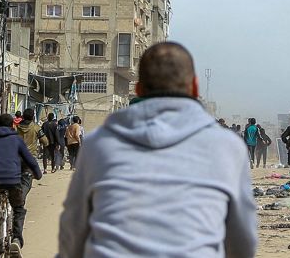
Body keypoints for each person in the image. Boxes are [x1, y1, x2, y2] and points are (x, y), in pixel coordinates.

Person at [55, 41, 258, 258]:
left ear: (139, 89)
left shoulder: (100, 144)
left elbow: (73, 234)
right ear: (195, 87)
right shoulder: (227, 147)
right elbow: (243, 242)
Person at [0, 113, 41, 252]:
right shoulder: (17, 140)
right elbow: (30, 161)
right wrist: (38, 174)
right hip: (13, 180)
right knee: (18, 209)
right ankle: (17, 239)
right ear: (13, 125)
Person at [16, 109, 42, 198]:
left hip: (17, 156)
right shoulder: (36, 128)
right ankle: (20, 200)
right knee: (26, 182)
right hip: (30, 158)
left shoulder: (16, 127)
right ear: (33, 117)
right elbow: (45, 141)